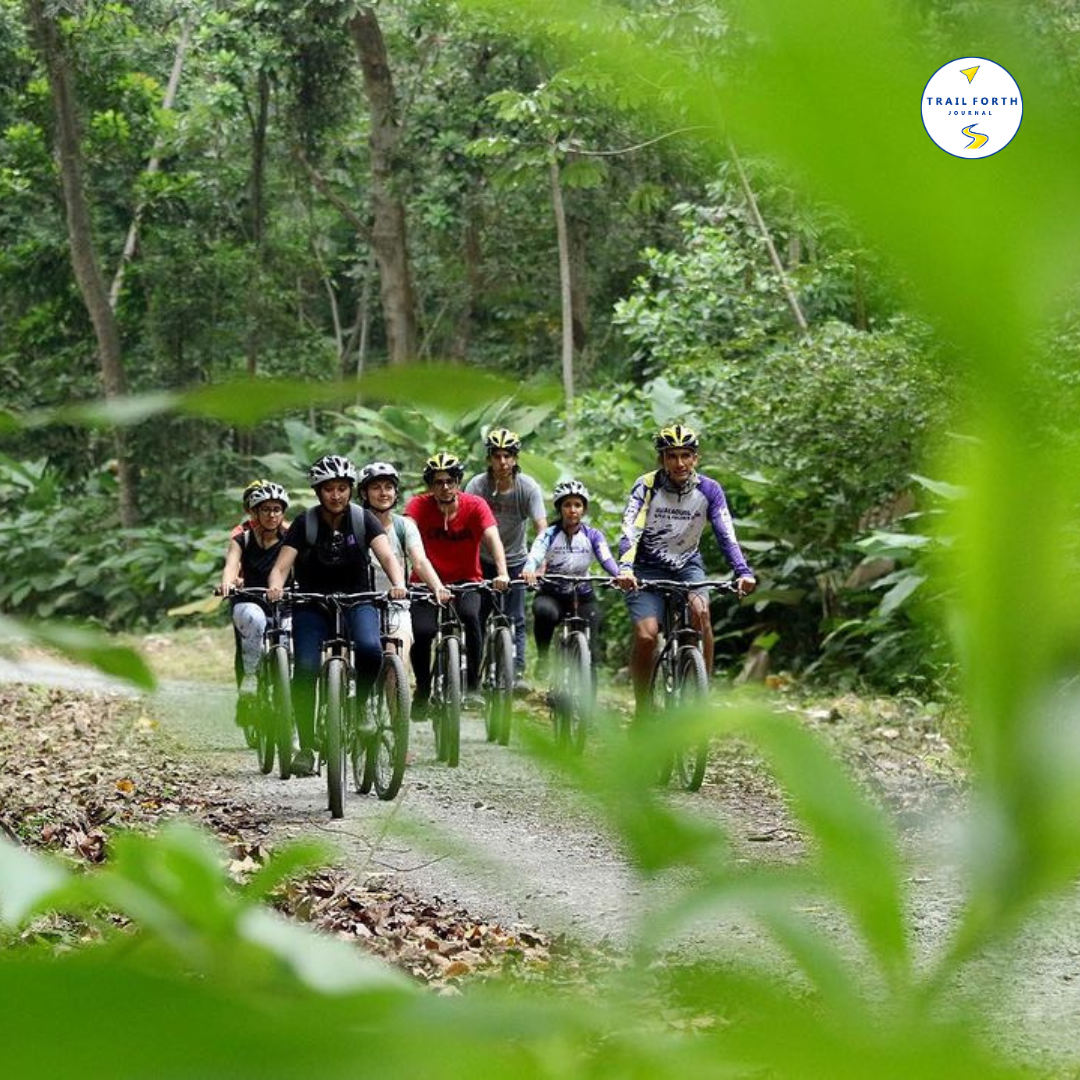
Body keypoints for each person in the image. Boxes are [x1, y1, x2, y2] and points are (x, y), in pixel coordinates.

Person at [267, 455, 406, 777]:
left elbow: (386, 555)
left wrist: (398, 584)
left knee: (372, 649)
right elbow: (281, 567)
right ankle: (305, 747)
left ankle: (362, 711)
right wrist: (276, 588)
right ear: (318, 492)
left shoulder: (363, 519)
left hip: (358, 600)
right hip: (312, 603)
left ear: (350, 490)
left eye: (342, 488)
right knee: (303, 668)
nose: (336, 495)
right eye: (328, 489)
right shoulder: (305, 523)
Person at [618, 424, 756, 717]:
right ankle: (643, 707)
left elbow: (725, 532)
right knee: (646, 636)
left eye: (686, 455)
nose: (679, 463)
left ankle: (700, 691)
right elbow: (631, 529)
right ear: (662, 459)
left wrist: (742, 571)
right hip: (645, 568)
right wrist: (626, 567)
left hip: (687, 564)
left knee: (701, 613)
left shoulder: (709, 490)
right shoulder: (646, 485)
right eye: (672, 456)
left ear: (696, 458)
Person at [405, 452, 510, 718]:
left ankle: (473, 685)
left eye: (450, 481)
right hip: (425, 584)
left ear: (458, 481)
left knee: (471, 617)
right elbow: (407, 532)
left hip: (466, 581)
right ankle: (423, 688)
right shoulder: (418, 505)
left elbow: (493, 538)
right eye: (438, 482)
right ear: (430, 484)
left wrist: (502, 572)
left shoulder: (475, 505)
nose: (445, 487)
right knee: (423, 631)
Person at [521, 480, 634, 675]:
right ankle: (543, 657)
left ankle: (588, 686)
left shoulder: (593, 536)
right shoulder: (549, 534)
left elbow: (606, 559)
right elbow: (536, 554)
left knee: (592, 634)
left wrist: (620, 575)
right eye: (567, 505)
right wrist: (529, 569)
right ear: (560, 508)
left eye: (577, 505)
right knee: (544, 612)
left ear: (584, 509)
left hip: (582, 595)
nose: (572, 510)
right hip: (552, 593)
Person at [465, 428, 546, 690]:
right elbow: (466, 524)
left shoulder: (528, 487)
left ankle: (518, 672)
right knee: (477, 617)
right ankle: (472, 676)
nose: (502, 462)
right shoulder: (477, 485)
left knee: (516, 618)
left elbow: (541, 528)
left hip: (516, 561)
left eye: (508, 456)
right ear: (489, 458)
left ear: (515, 458)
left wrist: (539, 564)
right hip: (482, 560)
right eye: (497, 456)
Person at [357, 460, 450, 668]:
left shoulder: (404, 526)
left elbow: (419, 561)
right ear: (364, 494)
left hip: (397, 603)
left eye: (388, 487)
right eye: (376, 488)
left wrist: (438, 587)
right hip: (360, 602)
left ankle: (395, 699)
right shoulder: (354, 525)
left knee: (396, 658)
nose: (384, 493)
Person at [219, 481, 291, 699]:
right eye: (265, 509)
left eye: (276, 509)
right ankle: (250, 676)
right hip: (251, 600)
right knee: (253, 624)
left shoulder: (292, 536)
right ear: (254, 511)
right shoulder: (242, 537)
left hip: (286, 602)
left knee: (296, 638)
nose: (271, 515)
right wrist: (229, 583)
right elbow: (231, 565)